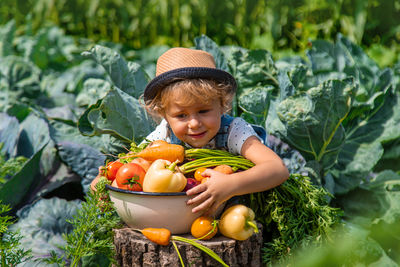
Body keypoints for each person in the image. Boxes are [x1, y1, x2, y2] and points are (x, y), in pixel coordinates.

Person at [143, 47, 289, 216]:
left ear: (222, 105)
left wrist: (231, 184)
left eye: (203, 111)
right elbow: (135, 162)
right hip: (181, 222)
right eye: (181, 115)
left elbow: (278, 169)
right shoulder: (165, 134)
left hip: (235, 219)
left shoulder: (233, 132)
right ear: (165, 116)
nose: (195, 123)